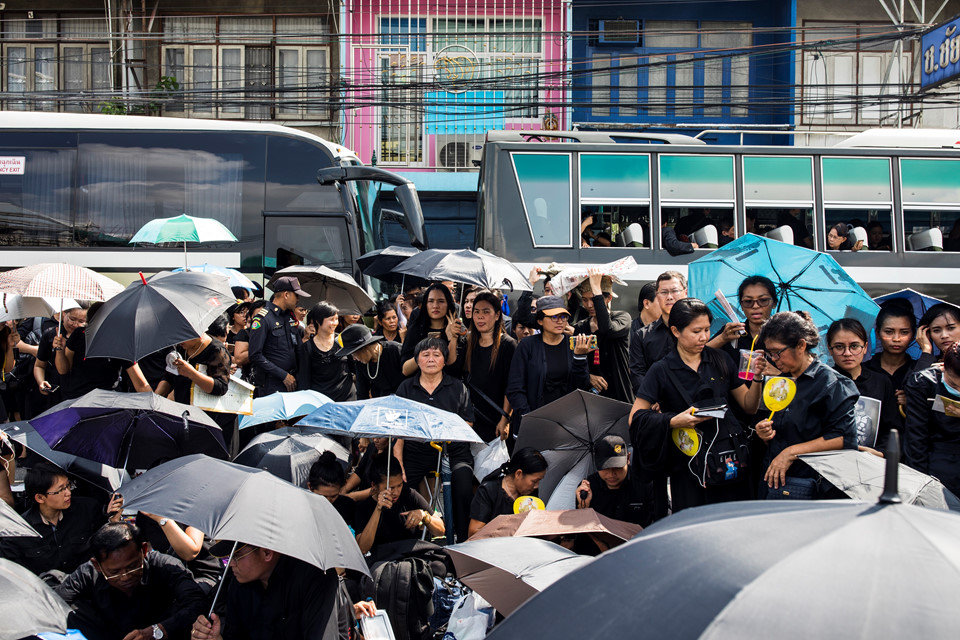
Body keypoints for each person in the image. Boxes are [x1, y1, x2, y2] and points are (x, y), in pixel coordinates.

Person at [630, 299, 765, 517]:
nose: (703, 337)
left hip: (728, 458)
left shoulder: (720, 359)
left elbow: (749, 406)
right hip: (688, 465)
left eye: (706, 330)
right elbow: (635, 417)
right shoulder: (661, 370)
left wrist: (757, 378)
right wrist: (673, 421)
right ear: (675, 331)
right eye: (696, 331)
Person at [754, 311, 859, 499]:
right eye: (770, 353)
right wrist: (766, 434)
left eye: (777, 352)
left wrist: (791, 452)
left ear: (801, 345)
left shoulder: (832, 383)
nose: (774, 359)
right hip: (775, 483)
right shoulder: (782, 380)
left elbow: (844, 438)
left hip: (810, 484)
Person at [57, 522, 205, 640]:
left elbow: (197, 602)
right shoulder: (87, 574)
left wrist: (160, 630)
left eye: (133, 567)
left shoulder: (165, 565)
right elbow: (53, 603)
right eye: (114, 572)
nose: (125, 577)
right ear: (97, 565)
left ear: (144, 550)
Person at [396, 337, 475, 542]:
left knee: (464, 485)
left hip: (454, 451)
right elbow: (398, 432)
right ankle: (414, 540)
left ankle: (461, 540)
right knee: (402, 489)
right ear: (418, 360)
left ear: (444, 360)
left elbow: (467, 424)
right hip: (416, 452)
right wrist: (399, 464)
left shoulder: (458, 387)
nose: (431, 359)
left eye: (437, 354)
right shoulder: (406, 388)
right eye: (426, 354)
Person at [192, 542, 350, 640]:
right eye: (228, 558)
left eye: (237, 556)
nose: (231, 564)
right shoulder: (238, 584)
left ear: (266, 553)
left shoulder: (315, 578)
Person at [0, 463, 123, 577]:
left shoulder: (87, 509)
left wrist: (112, 520)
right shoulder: (20, 530)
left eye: (68, 486)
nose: (68, 493)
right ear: (40, 497)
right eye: (60, 490)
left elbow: (105, 541)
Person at [506, 296, 592, 433]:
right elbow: (515, 388)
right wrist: (529, 418)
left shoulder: (572, 344)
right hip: (533, 423)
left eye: (563, 316)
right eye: (554, 317)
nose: (560, 321)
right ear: (540, 320)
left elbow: (581, 386)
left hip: (566, 424)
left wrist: (580, 357)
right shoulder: (527, 346)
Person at [452, 290, 517, 443]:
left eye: (486, 312)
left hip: (496, 420)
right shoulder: (468, 342)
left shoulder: (508, 345)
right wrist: (453, 339)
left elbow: (512, 386)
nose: (480, 316)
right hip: (470, 418)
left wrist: (505, 418)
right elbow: (452, 369)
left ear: (497, 315)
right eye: (476, 312)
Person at [54, 302, 152, 398]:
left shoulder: (119, 342)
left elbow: (141, 385)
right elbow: (63, 370)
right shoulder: (79, 335)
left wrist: (155, 405)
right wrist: (59, 351)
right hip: (76, 398)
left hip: (106, 400)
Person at [828, 319, 899, 450]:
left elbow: (891, 429)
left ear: (865, 347)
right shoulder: (823, 382)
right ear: (829, 349)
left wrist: (879, 453)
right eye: (839, 347)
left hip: (872, 461)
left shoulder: (881, 382)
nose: (847, 353)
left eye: (854, 346)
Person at [354, 455, 444, 555]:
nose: (396, 492)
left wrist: (424, 516)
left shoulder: (409, 495)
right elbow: (363, 548)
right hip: (384, 562)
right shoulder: (364, 507)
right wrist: (378, 510)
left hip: (412, 557)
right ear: (374, 486)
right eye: (391, 488)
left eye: (400, 485)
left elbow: (440, 530)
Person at [904, 342, 960, 496]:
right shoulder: (923, 383)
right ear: (943, 367)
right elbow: (916, 438)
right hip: (937, 462)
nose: (959, 390)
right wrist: (920, 483)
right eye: (954, 384)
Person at [571, 271, 633, 403]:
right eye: (585, 300)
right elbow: (574, 362)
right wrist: (588, 376)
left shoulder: (622, 318)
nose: (589, 305)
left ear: (608, 298)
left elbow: (607, 329)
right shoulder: (580, 327)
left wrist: (597, 289)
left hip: (620, 395)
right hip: (593, 398)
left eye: (594, 299)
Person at [248, 276, 310, 396]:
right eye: (296, 295)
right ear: (286, 295)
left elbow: (297, 349)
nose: (298, 299)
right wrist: (283, 375)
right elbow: (255, 355)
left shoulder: (290, 317)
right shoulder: (263, 319)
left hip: (293, 380)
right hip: (272, 382)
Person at [136, 511, 221, 594]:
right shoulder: (145, 515)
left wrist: (162, 519)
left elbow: (190, 553)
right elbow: (140, 552)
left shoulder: (193, 507)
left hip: (201, 576)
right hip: (171, 575)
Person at [629, 271, 686, 395]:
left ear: (685, 293)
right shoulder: (642, 335)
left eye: (675, 291)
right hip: (654, 405)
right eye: (664, 292)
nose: (669, 297)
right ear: (657, 295)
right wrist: (649, 398)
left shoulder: (695, 331)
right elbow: (637, 373)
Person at [576, 434, 652, 527]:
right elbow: (581, 529)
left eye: (617, 467)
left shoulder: (646, 483)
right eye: (605, 468)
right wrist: (583, 507)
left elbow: (664, 520)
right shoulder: (587, 489)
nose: (611, 474)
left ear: (628, 458)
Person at [468, 447, 547, 537]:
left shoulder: (531, 494)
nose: (536, 486)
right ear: (518, 474)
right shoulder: (489, 490)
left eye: (539, 481)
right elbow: (473, 532)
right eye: (534, 481)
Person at [863, 299, 917, 417]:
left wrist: (913, 401)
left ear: (913, 335)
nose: (896, 339)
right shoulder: (863, 371)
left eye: (904, 332)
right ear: (877, 333)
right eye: (889, 332)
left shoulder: (918, 370)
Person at [400, 283, 463, 376]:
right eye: (431, 301)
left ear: (448, 303)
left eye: (441, 301)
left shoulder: (458, 329)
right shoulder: (416, 329)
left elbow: (452, 366)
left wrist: (452, 338)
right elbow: (405, 370)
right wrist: (425, 350)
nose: (435, 306)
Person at [297, 302, 356, 402]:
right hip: (320, 402)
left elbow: (354, 368)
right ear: (318, 321)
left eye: (336, 319)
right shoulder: (307, 347)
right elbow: (304, 380)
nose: (335, 323)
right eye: (331, 319)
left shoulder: (343, 341)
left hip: (347, 399)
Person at [337, 324, 404, 400]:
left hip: (404, 398)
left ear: (365, 347)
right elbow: (362, 392)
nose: (354, 358)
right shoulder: (360, 363)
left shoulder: (396, 350)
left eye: (354, 354)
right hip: (380, 402)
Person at [307, 451, 356, 530]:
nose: (328, 501)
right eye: (323, 496)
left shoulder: (348, 506)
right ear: (310, 487)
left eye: (333, 496)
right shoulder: (303, 507)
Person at [916, 302, 960, 370]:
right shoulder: (928, 364)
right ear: (927, 334)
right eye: (936, 330)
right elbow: (915, 380)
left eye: (951, 328)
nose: (944, 336)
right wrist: (926, 351)